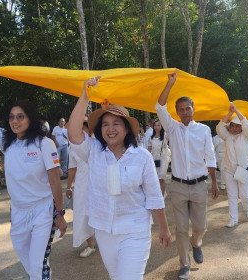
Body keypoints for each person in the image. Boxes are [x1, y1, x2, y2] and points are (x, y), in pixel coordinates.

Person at [67, 77, 171, 280]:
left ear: (126, 129)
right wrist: (85, 95)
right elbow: (73, 133)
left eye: (116, 123)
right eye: (105, 124)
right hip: (104, 230)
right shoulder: (94, 151)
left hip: (135, 230)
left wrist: (164, 229)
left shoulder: (141, 156)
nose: (110, 128)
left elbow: (154, 196)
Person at [0, 68, 67, 279]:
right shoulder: (7, 141)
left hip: (43, 211)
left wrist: (59, 214)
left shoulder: (45, 144)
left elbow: (54, 182)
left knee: (37, 264)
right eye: (12, 117)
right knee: (28, 262)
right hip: (18, 212)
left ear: (31, 118)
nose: (15, 121)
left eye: (20, 117)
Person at [155, 72, 219, 280]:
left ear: (193, 109)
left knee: (200, 226)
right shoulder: (172, 128)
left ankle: (196, 243)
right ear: (177, 112)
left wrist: (215, 183)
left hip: (200, 185)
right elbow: (159, 106)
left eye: (187, 108)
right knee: (181, 228)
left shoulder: (203, 130)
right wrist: (170, 83)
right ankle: (184, 264)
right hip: (179, 186)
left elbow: (210, 155)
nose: (184, 112)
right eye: (180, 109)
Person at [216, 103, 248, 228]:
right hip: (229, 170)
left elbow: (247, 125)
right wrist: (230, 113)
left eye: (238, 126)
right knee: (232, 195)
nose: (235, 128)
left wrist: (237, 111)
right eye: (232, 126)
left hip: (243, 170)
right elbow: (219, 127)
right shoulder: (227, 136)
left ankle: (247, 209)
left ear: (241, 128)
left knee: (244, 195)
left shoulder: (246, 136)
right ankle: (233, 219)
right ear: (229, 127)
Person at [66, 118, 96, 258]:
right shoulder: (71, 146)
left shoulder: (97, 144)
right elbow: (72, 168)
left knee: (99, 212)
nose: (80, 132)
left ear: (90, 130)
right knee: (82, 214)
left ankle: (104, 242)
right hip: (81, 185)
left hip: (97, 184)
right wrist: (68, 187)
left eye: (83, 128)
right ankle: (90, 245)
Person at [148, 119, 171, 196]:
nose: (156, 127)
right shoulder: (151, 138)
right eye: (155, 125)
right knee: (156, 178)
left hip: (164, 158)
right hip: (154, 159)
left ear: (161, 126)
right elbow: (149, 150)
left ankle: (162, 195)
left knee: (162, 178)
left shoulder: (165, 136)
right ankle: (158, 194)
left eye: (158, 125)